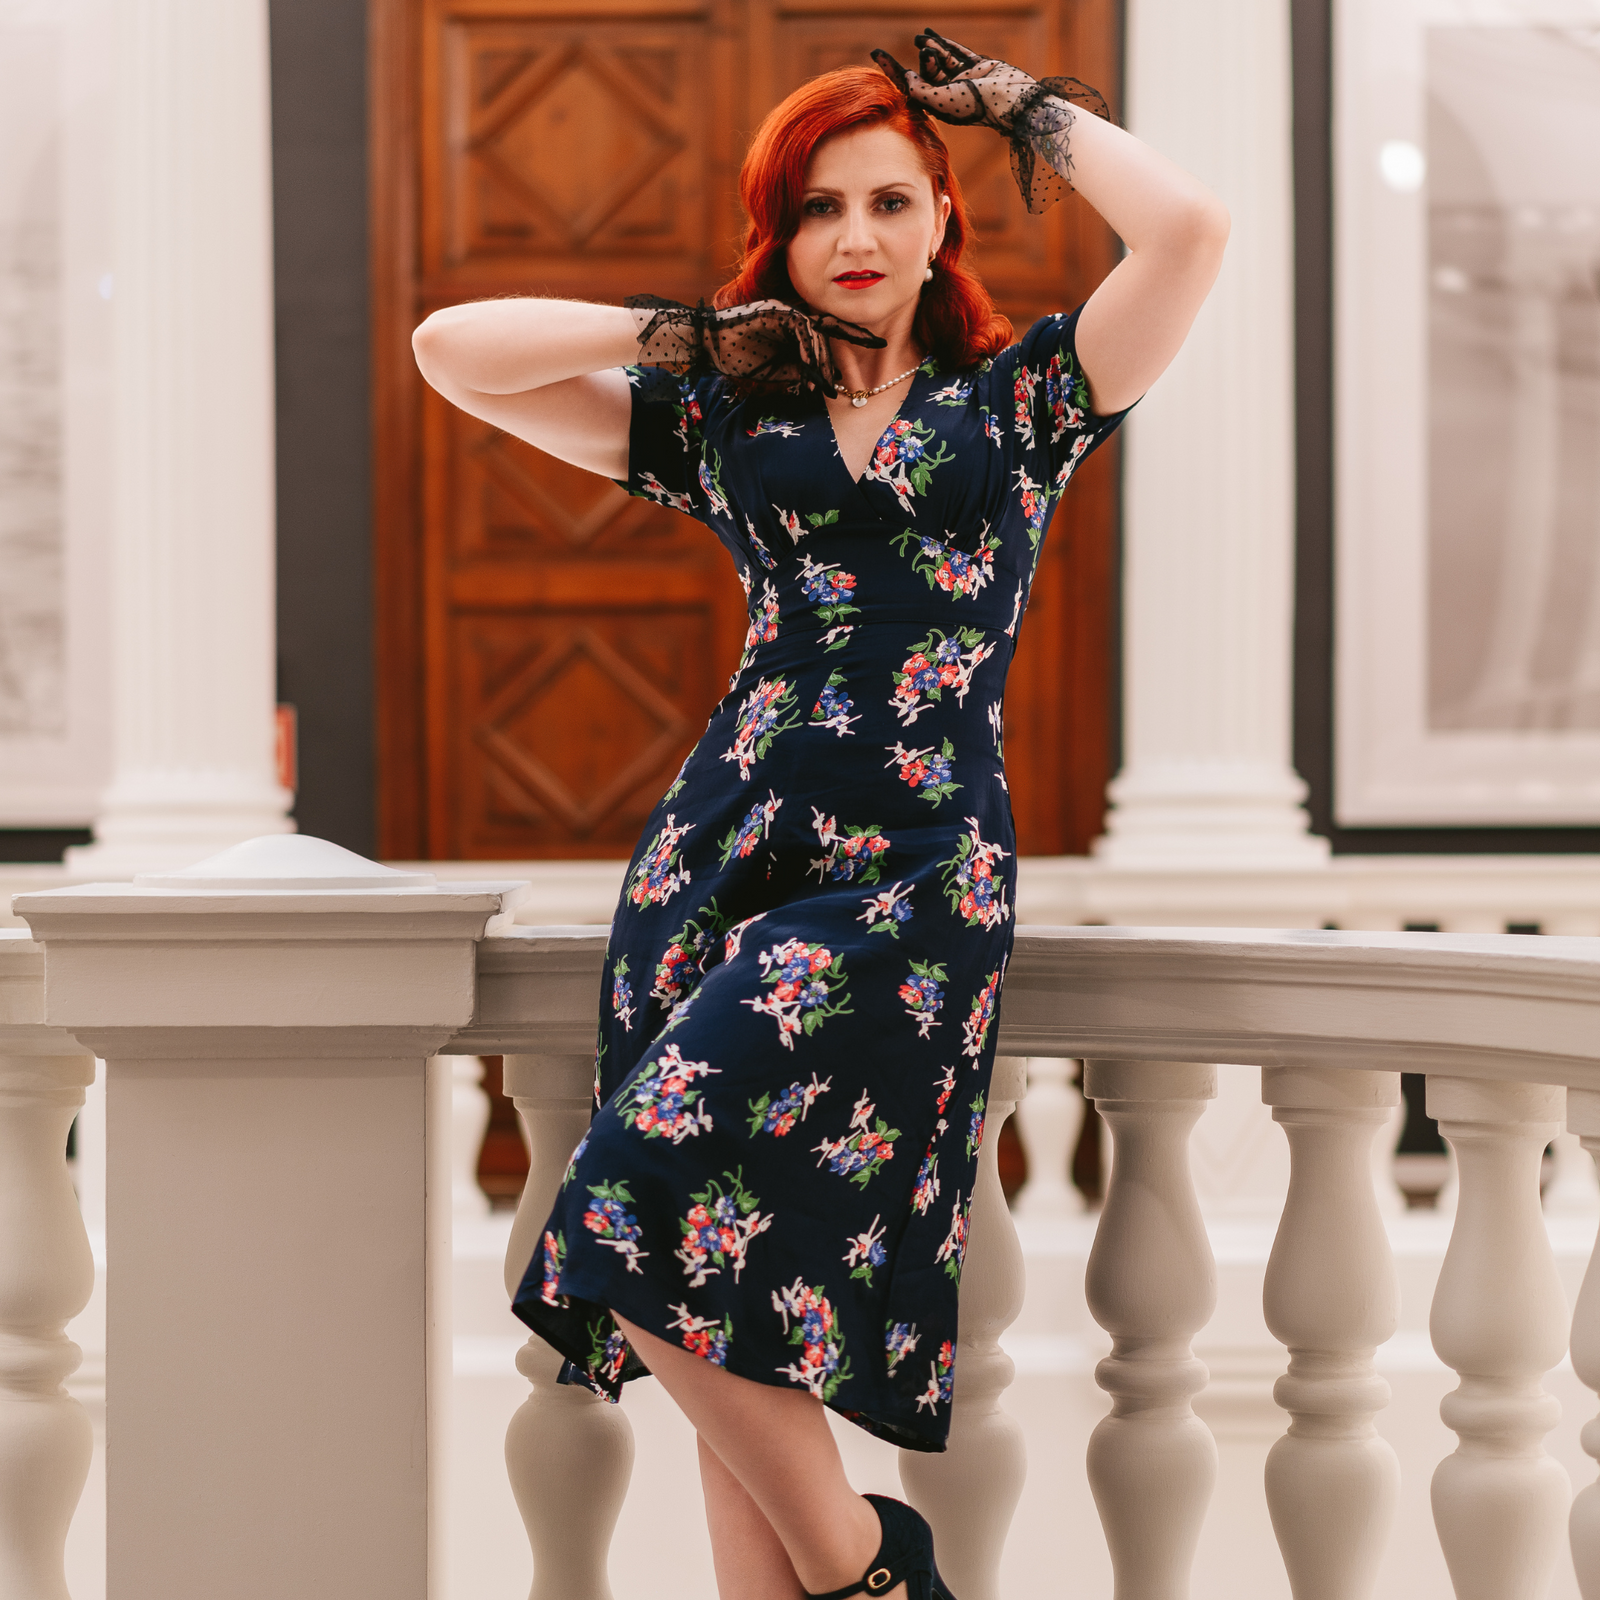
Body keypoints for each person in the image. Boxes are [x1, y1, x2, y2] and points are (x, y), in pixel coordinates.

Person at [412, 31, 1227, 1600]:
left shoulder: (1023, 412)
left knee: (629, 1216)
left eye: (888, 201)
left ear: (940, 226)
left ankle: (865, 1563)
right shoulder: (729, 429)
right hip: (718, 862)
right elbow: (457, 350)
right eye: (816, 209)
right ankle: (844, 1568)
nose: (854, 238)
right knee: (728, 1279)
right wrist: (682, 338)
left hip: (912, 886)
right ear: (777, 240)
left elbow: (1190, 232)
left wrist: (1011, 108)